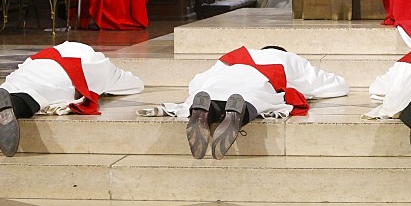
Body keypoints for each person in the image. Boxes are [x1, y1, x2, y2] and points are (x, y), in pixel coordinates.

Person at [148, 46, 348, 160]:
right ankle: (239, 112)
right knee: (259, 97)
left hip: (218, 80)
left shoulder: (235, 55)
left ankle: (204, 109)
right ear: (280, 50)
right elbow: (336, 85)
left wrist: (194, 95)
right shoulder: (287, 58)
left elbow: (197, 81)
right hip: (259, 79)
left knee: (209, 92)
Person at [0, 42, 143, 157]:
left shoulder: (44, 54)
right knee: (41, 96)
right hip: (63, 74)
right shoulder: (97, 62)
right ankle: (11, 105)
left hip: (34, 67)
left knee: (13, 85)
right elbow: (135, 84)